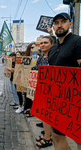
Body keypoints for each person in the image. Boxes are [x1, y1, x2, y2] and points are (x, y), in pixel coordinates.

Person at [48, 12, 81, 150]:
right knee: (57, 135)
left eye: (63, 22)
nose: (60, 25)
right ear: (54, 27)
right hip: (58, 102)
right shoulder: (53, 48)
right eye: (56, 23)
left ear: (70, 24)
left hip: (76, 101)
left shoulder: (78, 41)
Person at [33, 36, 55, 148]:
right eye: (41, 43)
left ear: (52, 44)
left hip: (51, 91)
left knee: (47, 115)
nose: (42, 45)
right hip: (41, 90)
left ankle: (48, 138)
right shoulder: (40, 58)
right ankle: (47, 134)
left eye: (45, 42)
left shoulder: (54, 57)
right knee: (43, 114)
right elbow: (36, 70)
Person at [22, 42, 36, 117]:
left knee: (32, 95)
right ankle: (27, 108)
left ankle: (32, 109)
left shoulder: (37, 57)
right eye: (32, 47)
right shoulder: (26, 57)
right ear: (29, 48)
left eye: (34, 47)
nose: (33, 49)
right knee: (26, 94)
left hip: (34, 78)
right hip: (26, 77)